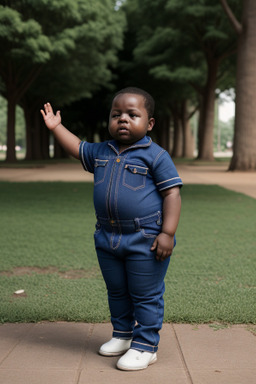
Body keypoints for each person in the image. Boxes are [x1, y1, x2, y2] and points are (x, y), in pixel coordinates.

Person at [41, 87, 182, 371]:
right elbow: (77, 147)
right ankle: (123, 334)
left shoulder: (155, 156)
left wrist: (167, 233)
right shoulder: (101, 151)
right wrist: (57, 128)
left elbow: (172, 194)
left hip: (145, 238)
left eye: (132, 115)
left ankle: (146, 346)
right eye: (116, 114)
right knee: (116, 290)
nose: (123, 120)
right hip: (107, 236)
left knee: (145, 293)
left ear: (149, 123)